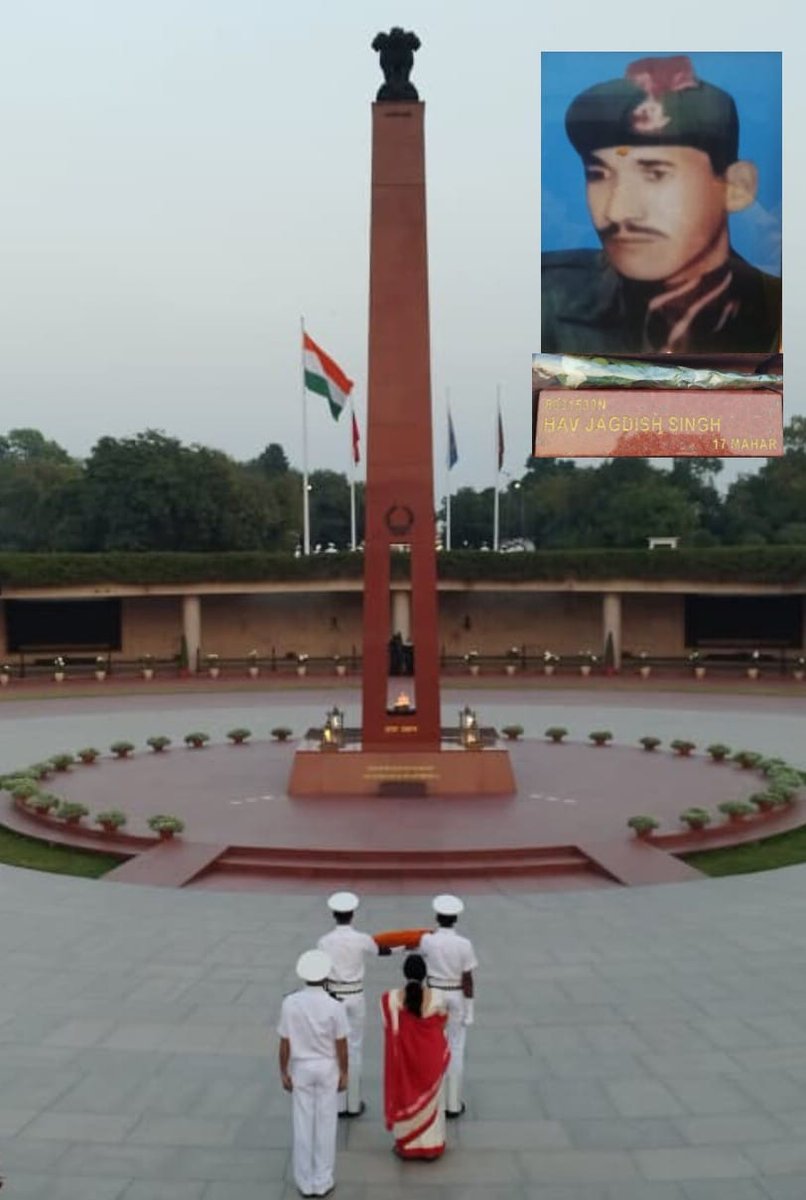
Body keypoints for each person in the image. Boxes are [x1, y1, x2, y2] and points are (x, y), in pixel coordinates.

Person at [542, 54, 781, 355]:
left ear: (737, 187)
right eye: (598, 174)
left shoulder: (780, 310)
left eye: (655, 173)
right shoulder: (546, 298)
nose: (617, 211)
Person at [278, 948, 349, 1199]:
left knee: (303, 1122)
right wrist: (344, 1072)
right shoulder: (334, 1005)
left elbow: (285, 1042)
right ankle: (323, 1179)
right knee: (326, 1123)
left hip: (301, 1066)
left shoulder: (290, 1003)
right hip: (327, 1066)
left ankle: (305, 1180)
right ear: (326, 975)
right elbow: (341, 1044)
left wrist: (283, 1072)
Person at [317, 890, 392, 1117]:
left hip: (333, 996)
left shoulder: (324, 941)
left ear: (333, 914)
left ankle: (339, 1102)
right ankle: (354, 1101)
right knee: (355, 1047)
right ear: (352, 914)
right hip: (355, 994)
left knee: (334, 1048)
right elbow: (381, 950)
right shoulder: (361, 939)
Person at [381, 953, 450, 1160]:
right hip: (431, 1058)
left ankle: (407, 1145)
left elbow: (389, 1027)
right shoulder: (438, 997)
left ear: (404, 973)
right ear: (425, 974)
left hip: (404, 1062)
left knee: (405, 1095)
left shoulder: (390, 999)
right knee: (432, 1103)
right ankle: (432, 1145)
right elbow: (443, 1022)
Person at [418, 893, 477, 1117]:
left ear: (437, 916)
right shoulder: (464, 944)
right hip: (455, 994)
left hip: (434, 993)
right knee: (456, 1047)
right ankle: (453, 1103)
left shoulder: (427, 940)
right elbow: (468, 978)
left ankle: (435, 1098)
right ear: (456, 919)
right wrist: (469, 1008)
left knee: (433, 1046)